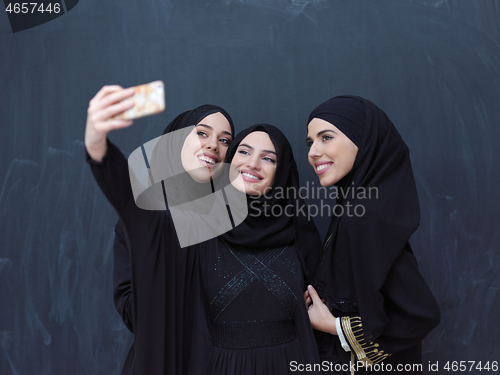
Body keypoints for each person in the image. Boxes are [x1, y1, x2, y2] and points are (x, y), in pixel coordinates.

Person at [85, 85, 323, 374]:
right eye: (202, 132)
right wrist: (99, 148)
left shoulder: (230, 214)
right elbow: (136, 311)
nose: (214, 145)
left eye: (225, 140)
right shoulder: (155, 218)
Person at [304, 95, 440, 374]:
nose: (313, 152)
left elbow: (420, 315)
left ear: (363, 141)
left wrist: (333, 326)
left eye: (326, 137)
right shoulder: (353, 210)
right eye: (310, 142)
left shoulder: (367, 216)